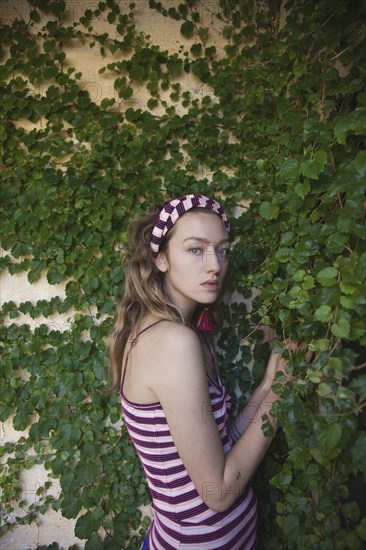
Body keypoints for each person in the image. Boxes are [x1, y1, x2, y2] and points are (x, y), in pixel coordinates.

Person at [109, 194, 294, 549]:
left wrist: (270, 385)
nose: (214, 265)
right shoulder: (172, 342)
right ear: (160, 258)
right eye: (196, 249)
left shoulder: (184, 333)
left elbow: (223, 441)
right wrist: (281, 395)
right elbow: (219, 492)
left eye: (222, 250)